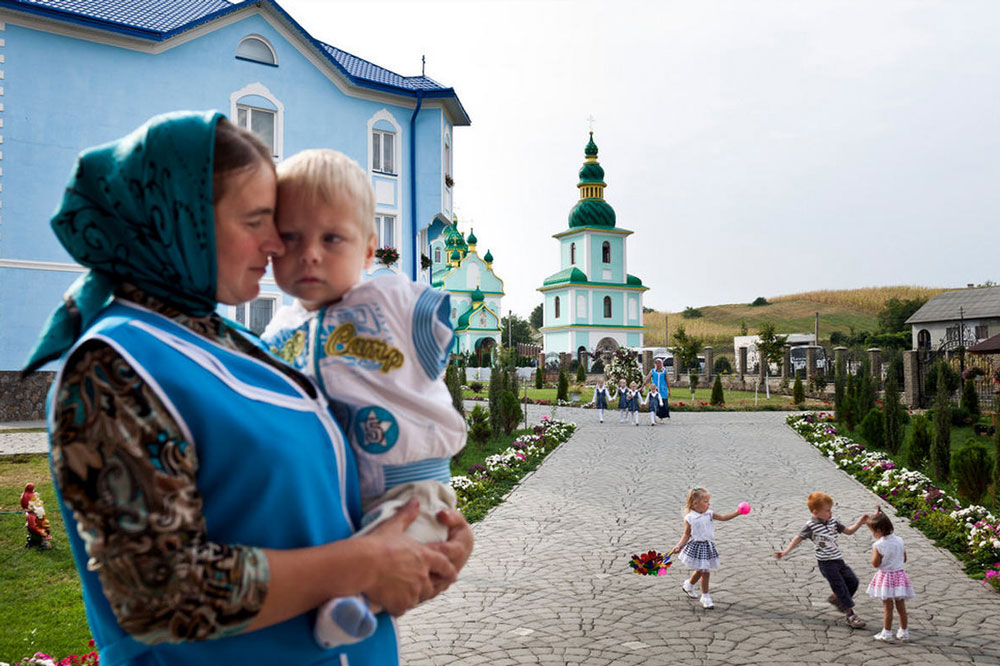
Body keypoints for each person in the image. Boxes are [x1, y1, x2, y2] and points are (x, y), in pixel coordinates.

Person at [22, 111, 472, 665]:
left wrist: (422, 539)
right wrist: (363, 566)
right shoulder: (111, 366)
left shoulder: (236, 341)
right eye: (259, 221)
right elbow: (159, 595)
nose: (277, 245)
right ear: (184, 220)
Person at [259, 148, 467, 649]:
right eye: (291, 237)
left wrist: (436, 323)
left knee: (415, 538)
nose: (310, 252)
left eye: (332, 238)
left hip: (408, 485)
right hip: (335, 494)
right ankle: (342, 600)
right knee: (348, 551)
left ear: (370, 249)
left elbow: (438, 320)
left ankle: (352, 609)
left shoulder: (389, 301)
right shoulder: (279, 328)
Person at [774, 492, 868, 629]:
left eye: (830, 510)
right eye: (827, 510)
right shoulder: (811, 525)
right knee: (840, 586)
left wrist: (860, 522)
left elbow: (849, 531)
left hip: (838, 560)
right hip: (826, 564)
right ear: (815, 512)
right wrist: (785, 552)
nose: (830, 513)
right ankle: (851, 615)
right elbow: (798, 538)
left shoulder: (833, 522)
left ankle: (837, 599)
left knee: (853, 581)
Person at [671, 487, 742, 608]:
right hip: (697, 547)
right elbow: (686, 535)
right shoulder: (690, 518)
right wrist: (678, 546)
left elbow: (724, 517)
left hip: (708, 546)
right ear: (695, 503)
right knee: (705, 572)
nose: (708, 504)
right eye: (706, 502)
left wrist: (737, 512)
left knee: (700, 570)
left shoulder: (709, 513)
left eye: (709, 502)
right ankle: (706, 597)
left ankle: (688, 585)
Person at [865, 511, 913, 642]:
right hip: (900, 576)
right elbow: (904, 558)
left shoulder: (878, 545)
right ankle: (904, 631)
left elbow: (875, 563)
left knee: (888, 607)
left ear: (879, 530)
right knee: (901, 606)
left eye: (872, 531)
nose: (873, 534)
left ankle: (886, 632)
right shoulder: (900, 540)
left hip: (886, 577)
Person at [643, 357, 670, 422]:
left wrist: (669, 390)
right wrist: (642, 386)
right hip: (654, 389)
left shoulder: (664, 371)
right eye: (657, 363)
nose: (658, 365)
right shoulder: (652, 371)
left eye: (659, 363)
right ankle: (654, 418)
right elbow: (647, 378)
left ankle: (661, 417)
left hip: (662, 389)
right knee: (654, 403)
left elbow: (667, 380)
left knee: (662, 402)